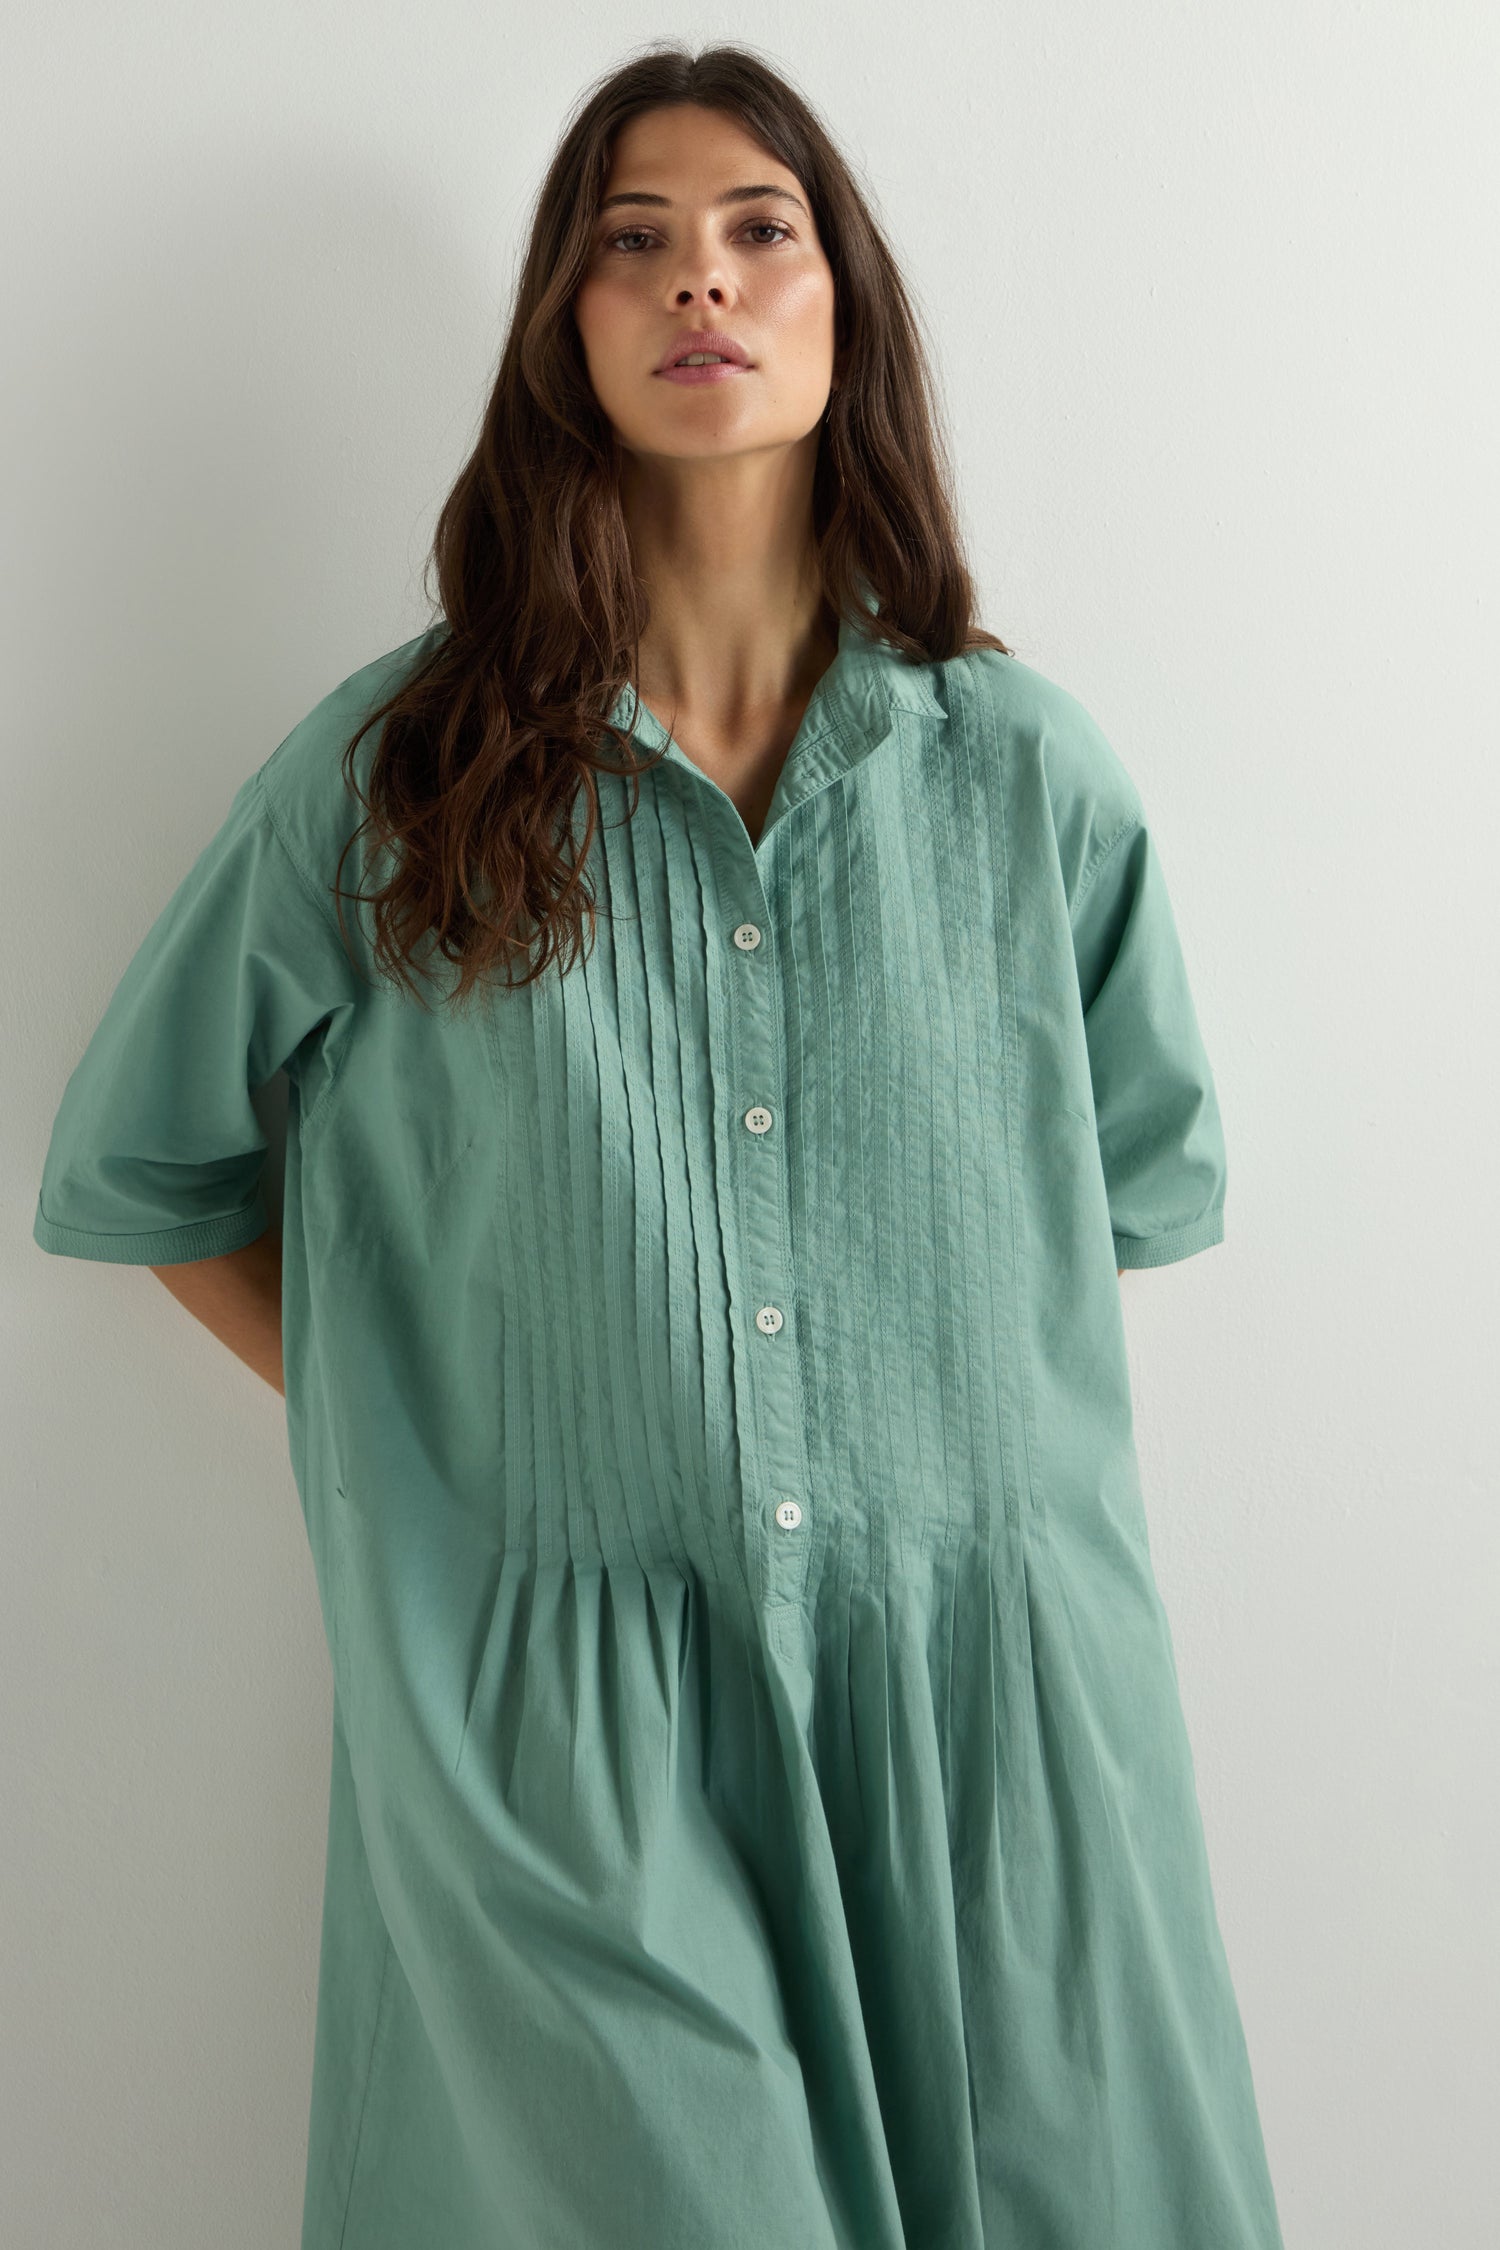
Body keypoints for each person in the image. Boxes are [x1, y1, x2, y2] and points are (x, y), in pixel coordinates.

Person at [31, 41, 1286, 2250]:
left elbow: (1133, 1198)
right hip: (564, 1756)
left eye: (755, 231)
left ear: (842, 314)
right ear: (565, 336)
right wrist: (427, 1441)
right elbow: (139, 1176)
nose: (697, 279)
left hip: (989, 1723)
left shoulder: (1026, 778)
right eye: (632, 242)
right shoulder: (401, 772)